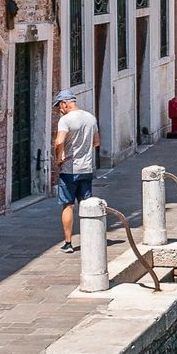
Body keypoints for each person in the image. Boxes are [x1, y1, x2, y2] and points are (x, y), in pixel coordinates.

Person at [53, 90, 100, 253]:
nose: (59, 110)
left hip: (69, 169)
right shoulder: (90, 118)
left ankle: (68, 243)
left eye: (59, 106)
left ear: (65, 103)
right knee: (86, 205)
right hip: (86, 168)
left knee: (68, 205)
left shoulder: (65, 120)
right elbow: (96, 142)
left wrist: (59, 157)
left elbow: (59, 141)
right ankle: (91, 240)